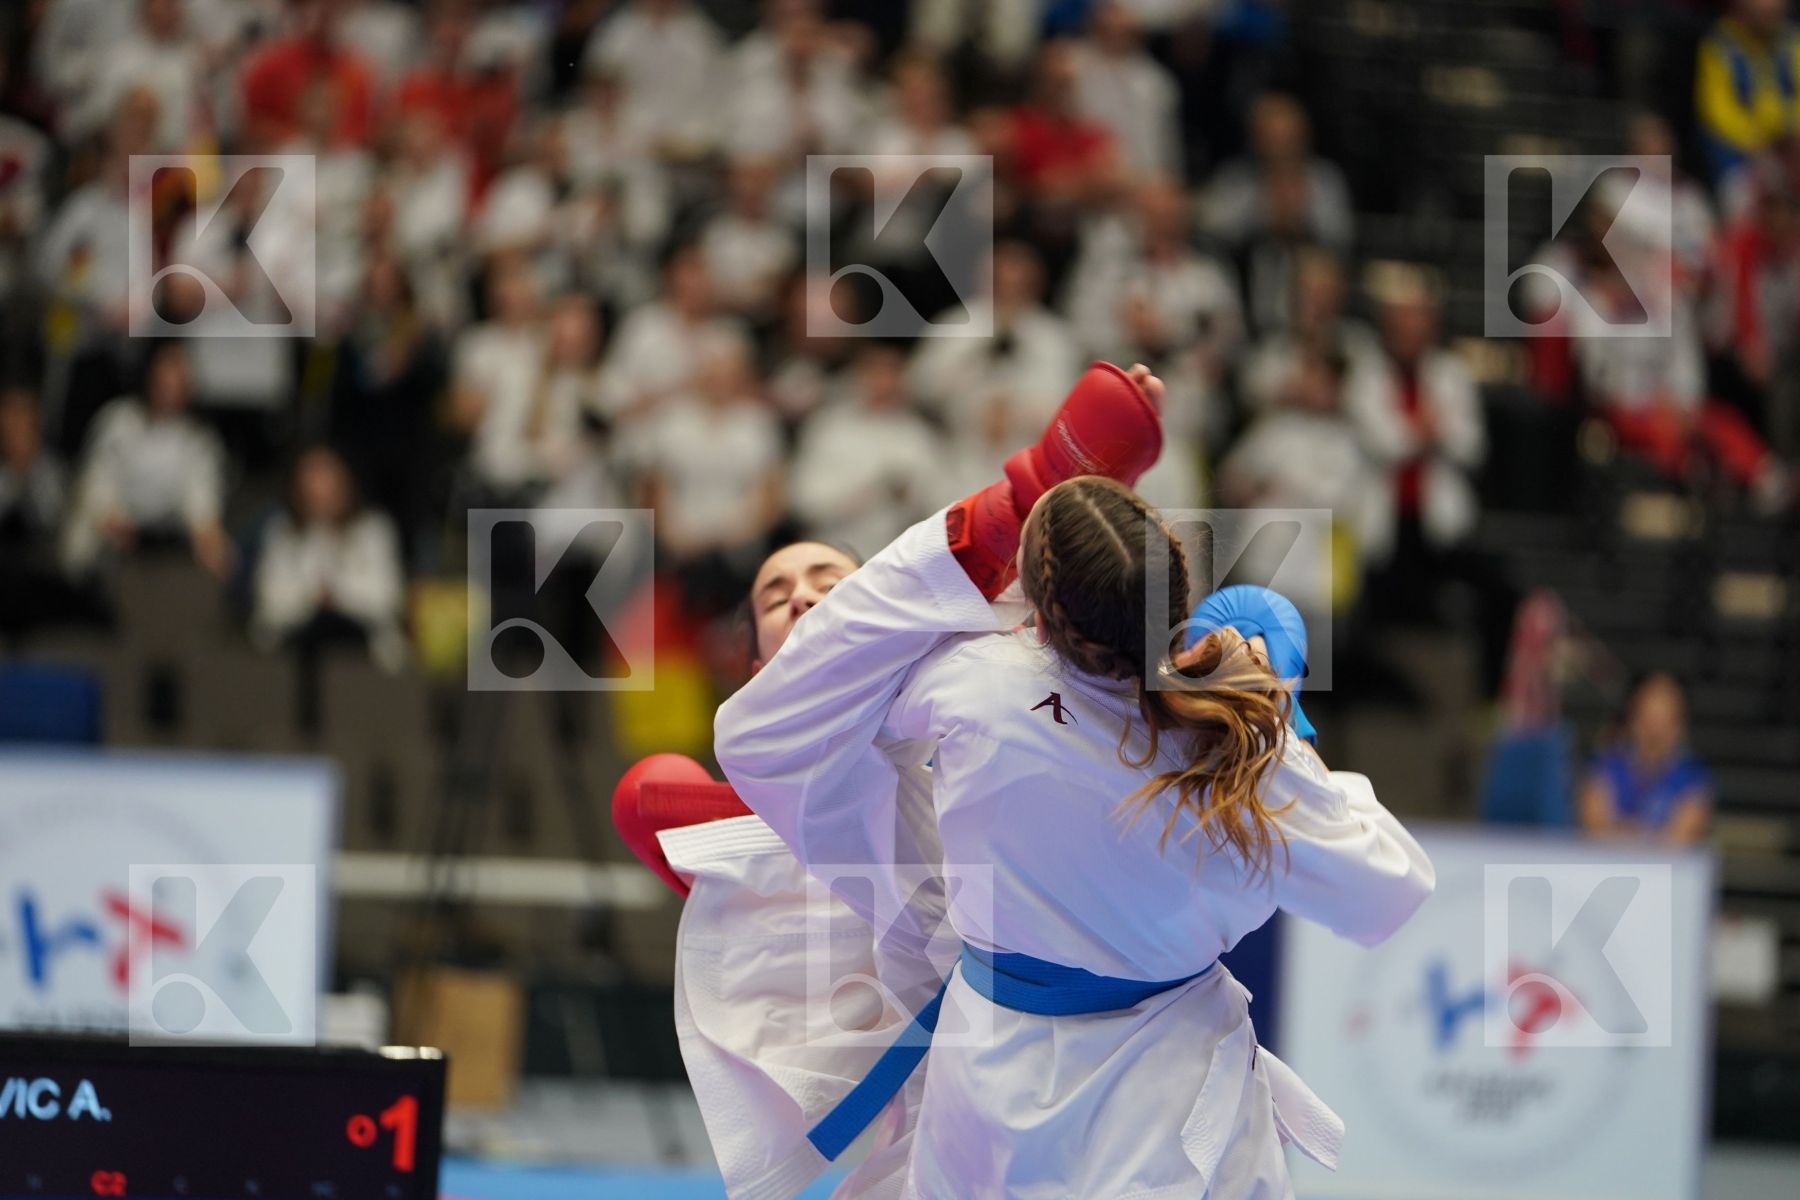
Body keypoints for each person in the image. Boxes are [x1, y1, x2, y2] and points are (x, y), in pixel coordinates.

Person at [714, 377, 1434, 1196]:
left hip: (987, 1078)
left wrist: (1014, 497)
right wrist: (1282, 725)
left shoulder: (976, 682)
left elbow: (772, 726)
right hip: (1169, 1090)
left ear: (1038, 611)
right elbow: (1392, 895)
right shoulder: (1238, 751)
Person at [613, 362, 1175, 1199]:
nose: (804, 599)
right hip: (954, 1085)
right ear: (755, 655)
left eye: (827, 583)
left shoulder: (973, 676)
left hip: (1099, 1045)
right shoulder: (785, 765)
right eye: (776, 594)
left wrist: (1087, 495)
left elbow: (1036, 615)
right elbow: (672, 798)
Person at [1579, 673, 1712, 846]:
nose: (1654, 730)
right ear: (1633, 717)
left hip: (1669, 871)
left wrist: (1623, 833)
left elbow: (1682, 837)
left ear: (1679, 723)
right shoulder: (1605, 765)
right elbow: (1594, 827)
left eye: (1665, 719)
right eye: (1648, 717)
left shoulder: (1692, 776)